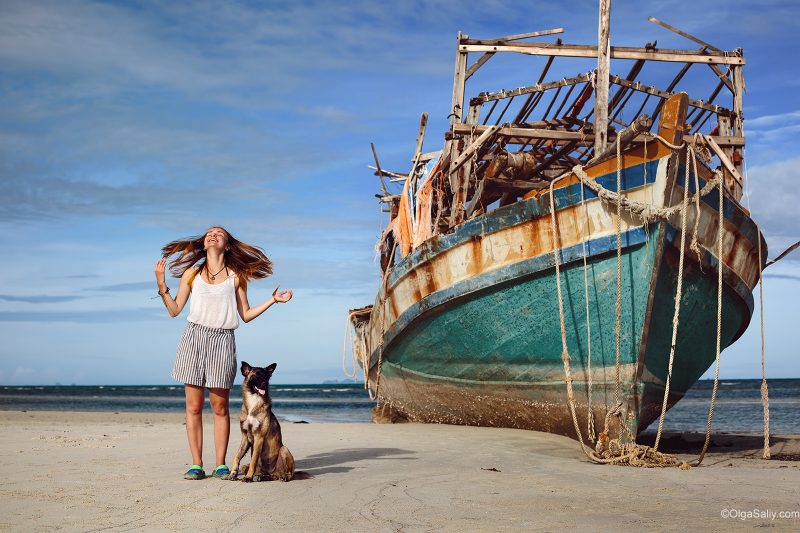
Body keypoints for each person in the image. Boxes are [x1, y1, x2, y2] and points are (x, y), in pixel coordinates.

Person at [154, 226, 292, 480]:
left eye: (219, 233)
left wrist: (273, 301)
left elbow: (246, 315)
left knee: (220, 408)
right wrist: (162, 284)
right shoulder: (191, 273)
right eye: (209, 233)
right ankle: (196, 464)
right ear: (204, 243)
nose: (212, 235)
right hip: (193, 338)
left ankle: (220, 464)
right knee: (193, 407)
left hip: (222, 341)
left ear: (227, 245)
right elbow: (174, 310)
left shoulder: (236, 275)